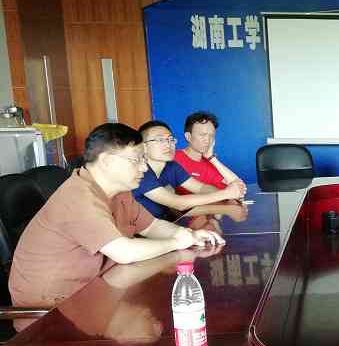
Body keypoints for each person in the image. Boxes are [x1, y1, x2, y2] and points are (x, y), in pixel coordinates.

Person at [9, 123, 225, 310]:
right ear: (106, 161)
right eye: (136, 160)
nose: (144, 167)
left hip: (97, 292)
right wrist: (177, 242)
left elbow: (152, 226)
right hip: (54, 312)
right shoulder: (79, 197)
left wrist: (189, 234)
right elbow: (124, 252)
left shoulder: (120, 191)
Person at [135, 120, 245, 219]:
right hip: (140, 232)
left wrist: (230, 197)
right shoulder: (140, 172)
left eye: (171, 139)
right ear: (143, 147)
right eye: (160, 140)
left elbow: (201, 188)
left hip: (161, 225)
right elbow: (178, 203)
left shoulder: (172, 166)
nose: (168, 144)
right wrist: (226, 194)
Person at [174, 111, 245, 193]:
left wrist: (211, 158)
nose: (207, 140)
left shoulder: (209, 162)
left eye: (211, 135)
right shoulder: (173, 158)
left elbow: (239, 187)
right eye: (202, 135)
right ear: (188, 136)